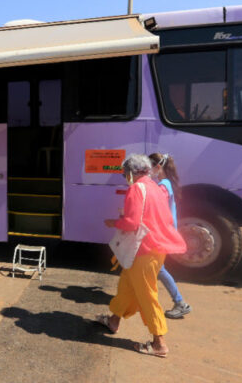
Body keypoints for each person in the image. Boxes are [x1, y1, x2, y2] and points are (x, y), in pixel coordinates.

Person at [97, 154, 187, 357]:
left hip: (143, 251)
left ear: (131, 172)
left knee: (147, 295)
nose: (123, 176)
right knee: (127, 286)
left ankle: (159, 342)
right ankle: (114, 320)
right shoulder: (155, 186)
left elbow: (132, 223)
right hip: (155, 249)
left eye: (124, 172)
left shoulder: (136, 189)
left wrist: (114, 222)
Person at [149, 153, 192, 319]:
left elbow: (155, 208)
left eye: (149, 166)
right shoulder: (166, 183)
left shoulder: (163, 186)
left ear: (157, 167)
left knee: (157, 268)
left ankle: (180, 302)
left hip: (160, 234)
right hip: (163, 232)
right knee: (154, 269)